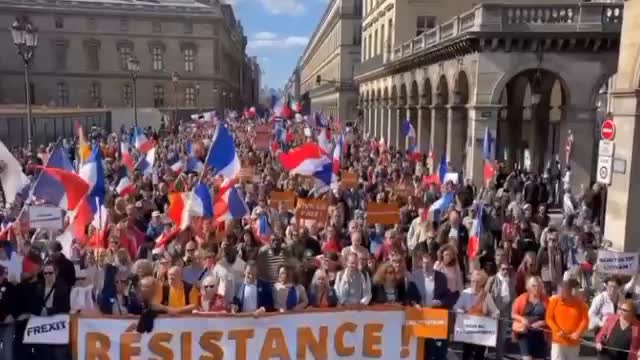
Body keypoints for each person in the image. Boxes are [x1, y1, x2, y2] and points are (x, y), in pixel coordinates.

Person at [454, 270, 500, 360]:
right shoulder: (464, 293)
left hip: (481, 331)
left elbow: (496, 311)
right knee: (466, 355)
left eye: (477, 282)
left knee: (479, 356)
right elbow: (456, 307)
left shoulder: (486, 296)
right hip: (467, 330)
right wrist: (459, 311)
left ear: (482, 283)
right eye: (473, 281)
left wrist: (494, 316)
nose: (474, 284)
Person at [545, 279, 589, 360]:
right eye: (559, 292)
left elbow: (585, 321)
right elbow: (549, 318)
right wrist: (557, 330)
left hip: (573, 343)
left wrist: (578, 333)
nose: (560, 295)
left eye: (563, 292)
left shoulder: (580, 304)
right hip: (558, 341)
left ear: (569, 291)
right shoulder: (554, 301)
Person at [512, 276, 549, 360]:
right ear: (528, 287)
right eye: (534, 286)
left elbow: (551, 317)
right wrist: (522, 319)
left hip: (540, 334)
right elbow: (513, 314)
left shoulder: (546, 300)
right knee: (527, 358)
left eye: (539, 285)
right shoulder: (521, 298)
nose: (536, 288)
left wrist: (542, 322)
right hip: (524, 333)